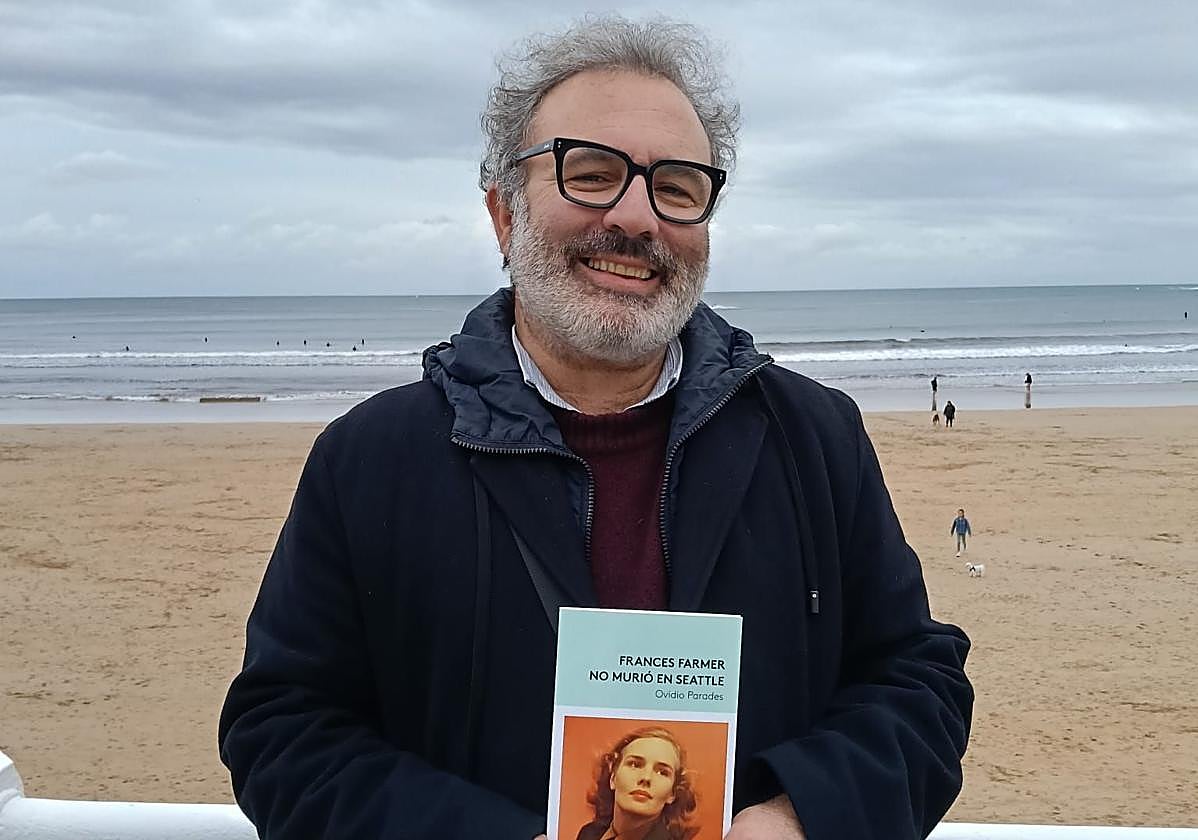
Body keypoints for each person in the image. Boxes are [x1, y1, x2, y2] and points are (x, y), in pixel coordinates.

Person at [219, 16, 972, 840]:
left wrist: (801, 817)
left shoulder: (814, 438)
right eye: (591, 173)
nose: (638, 217)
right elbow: (283, 730)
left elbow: (918, 681)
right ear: (504, 213)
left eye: (677, 186)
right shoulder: (369, 459)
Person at [575, 728, 697, 840]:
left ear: (672, 794)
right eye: (634, 764)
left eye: (662, 772)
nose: (646, 777)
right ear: (613, 778)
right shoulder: (589, 833)